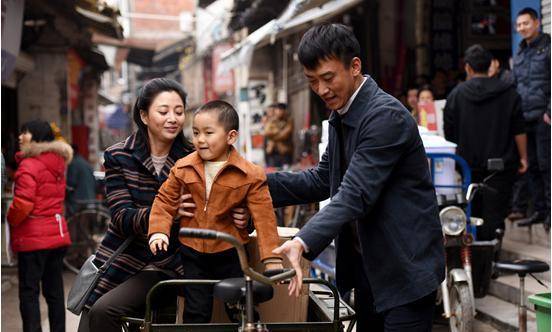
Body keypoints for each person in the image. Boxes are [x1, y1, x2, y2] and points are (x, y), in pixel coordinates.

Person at [268, 23, 445, 331]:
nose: (321, 89)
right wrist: (253, 184)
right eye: (312, 81)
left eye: (328, 78)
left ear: (354, 66)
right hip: (371, 271)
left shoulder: (384, 116)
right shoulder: (342, 114)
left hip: (406, 270)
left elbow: (354, 194)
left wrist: (303, 241)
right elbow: (323, 179)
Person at [77, 79, 249, 332]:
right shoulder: (119, 156)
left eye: (179, 112)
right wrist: (169, 212)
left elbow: (238, 193)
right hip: (126, 257)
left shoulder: (199, 154)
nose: (173, 119)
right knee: (92, 313)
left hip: (178, 262)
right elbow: (122, 217)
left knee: (106, 310)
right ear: (144, 115)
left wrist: (244, 216)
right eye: (163, 111)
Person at [148, 100, 283, 323]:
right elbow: (164, 200)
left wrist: (272, 259)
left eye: (208, 133)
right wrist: (158, 231)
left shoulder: (250, 174)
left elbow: (264, 217)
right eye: (196, 132)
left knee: (241, 306)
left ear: (230, 137)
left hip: (231, 251)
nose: (200, 140)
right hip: (192, 251)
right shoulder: (183, 167)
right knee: (196, 309)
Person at [444, 44, 528, 241]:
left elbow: (449, 134)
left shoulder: (456, 95)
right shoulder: (509, 93)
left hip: (467, 167)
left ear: (468, 68)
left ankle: (475, 261)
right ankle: (492, 260)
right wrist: (523, 156)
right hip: (501, 167)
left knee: (472, 213)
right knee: (496, 215)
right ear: (491, 65)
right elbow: (519, 130)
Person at [7, 120, 73, 332]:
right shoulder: (58, 162)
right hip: (56, 235)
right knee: (54, 292)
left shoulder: (29, 164)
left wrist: (10, 218)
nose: (20, 137)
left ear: (35, 136)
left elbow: (24, 204)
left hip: (33, 238)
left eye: (24, 132)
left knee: (29, 292)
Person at [512, 7, 551, 228]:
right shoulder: (520, 53)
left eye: (525, 23)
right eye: (518, 25)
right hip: (524, 118)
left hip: (544, 118)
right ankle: (539, 210)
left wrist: (550, 112)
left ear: (537, 22)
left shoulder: (548, 48)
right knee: (532, 166)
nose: (522, 28)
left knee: (547, 166)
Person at [65, 144, 96, 216]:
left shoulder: (73, 163)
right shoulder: (85, 162)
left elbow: (71, 182)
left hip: (78, 200)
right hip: (90, 199)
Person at [264, 103, 294, 168]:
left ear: (284, 111)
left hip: (284, 151)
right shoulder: (272, 120)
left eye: (281, 110)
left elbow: (285, 134)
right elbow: (267, 132)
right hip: (272, 151)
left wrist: (273, 136)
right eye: (277, 110)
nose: (279, 112)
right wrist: (278, 131)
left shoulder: (288, 120)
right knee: (272, 171)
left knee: (286, 172)